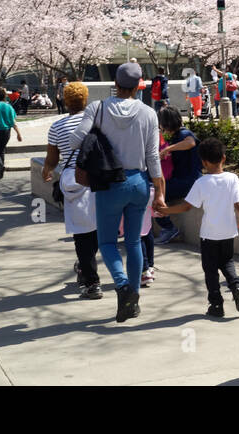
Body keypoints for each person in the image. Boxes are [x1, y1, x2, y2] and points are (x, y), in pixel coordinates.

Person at [65, 63, 164, 322]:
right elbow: (153, 156)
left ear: (116, 84)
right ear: (138, 86)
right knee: (133, 242)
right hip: (140, 182)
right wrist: (160, 189)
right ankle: (133, 297)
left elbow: (76, 140)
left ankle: (121, 286)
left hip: (109, 183)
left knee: (107, 242)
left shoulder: (97, 108)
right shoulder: (148, 113)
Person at [159, 137, 239, 317]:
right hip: (228, 232)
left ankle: (216, 305)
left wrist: (167, 210)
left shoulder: (202, 183)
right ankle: (236, 286)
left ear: (203, 162)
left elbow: (186, 206)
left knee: (210, 269)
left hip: (209, 235)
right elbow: (238, 202)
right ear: (223, 157)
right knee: (227, 262)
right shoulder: (232, 178)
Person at [42, 82, 101, 299]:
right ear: (86, 99)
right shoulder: (97, 122)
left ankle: (91, 281)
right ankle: (86, 269)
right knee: (97, 231)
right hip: (97, 180)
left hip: (74, 181)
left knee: (81, 235)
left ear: (65, 101)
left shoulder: (57, 127)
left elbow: (52, 158)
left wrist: (47, 171)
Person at [155, 107, 198, 245]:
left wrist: (168, 149)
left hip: (188, 181)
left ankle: (169, 228)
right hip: (181, 180)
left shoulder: (185, 133)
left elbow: (190, 143)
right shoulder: (176, 137)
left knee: (155, 197)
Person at [0, 87, 23, 181]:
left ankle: (0, 165)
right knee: (2, 149)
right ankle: (1, 169)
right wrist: (18, 134)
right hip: (6, 131)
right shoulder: (8, 106)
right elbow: (13, 121)